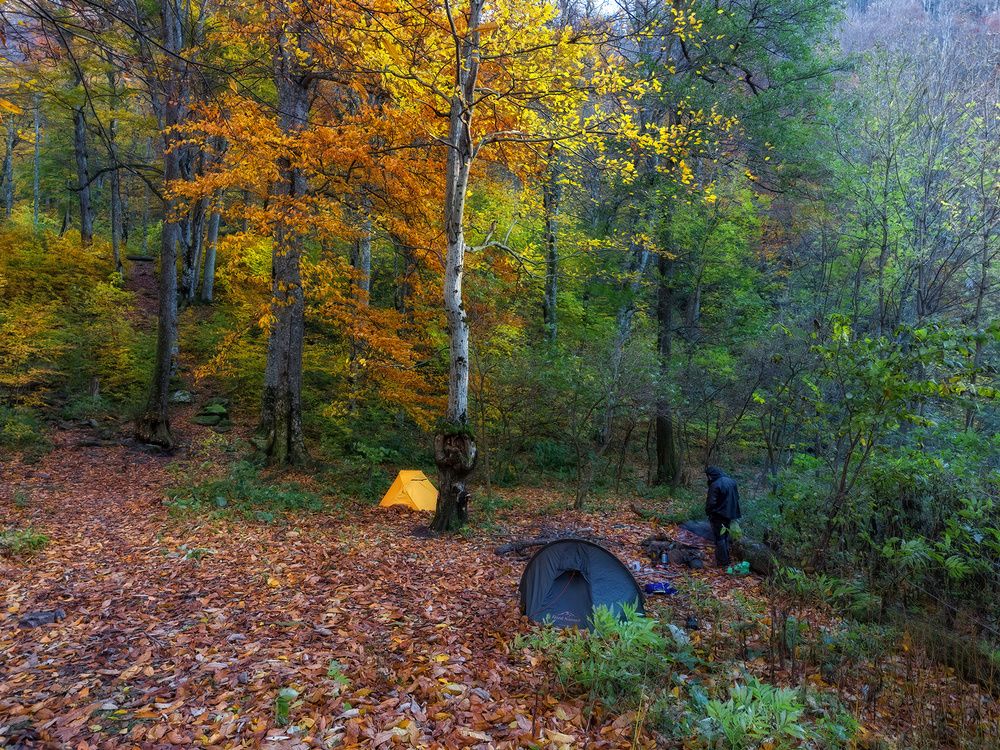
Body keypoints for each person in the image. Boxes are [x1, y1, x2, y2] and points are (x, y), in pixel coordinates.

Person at [705, 465, 741, 567]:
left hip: (718, 515)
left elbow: (711, 503)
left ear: (710, 475)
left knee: (719, 538)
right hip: (731, 514)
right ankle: (727, 559)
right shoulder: (732, 481)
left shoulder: (715, 485)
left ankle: (723, 562)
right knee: (725, 536)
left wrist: (709, 513)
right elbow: (737, 497)